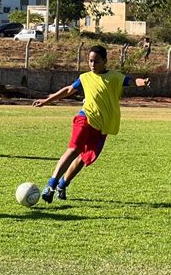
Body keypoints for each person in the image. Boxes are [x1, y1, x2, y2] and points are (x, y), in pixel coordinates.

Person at [32, 45, 149, 203]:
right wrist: (46, 101)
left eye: (97, 61)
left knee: (84, 158)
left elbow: (132, 81)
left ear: (105, 61)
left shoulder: (114, 77)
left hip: (102, 127)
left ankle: (62, 184)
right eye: (90, 61)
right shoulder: (85, 77)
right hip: (85, 118)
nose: (93, 64)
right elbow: (68, 90)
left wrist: (142, 82)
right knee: (74, 149)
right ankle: (50, 185)